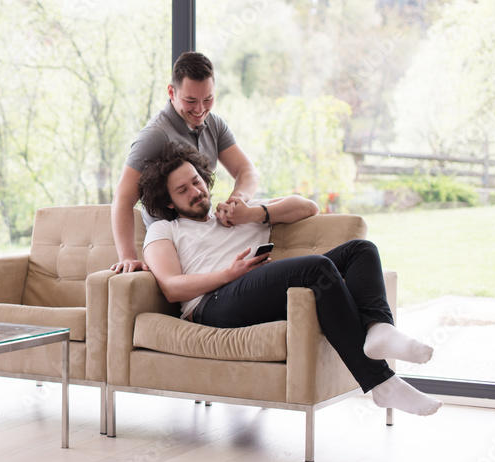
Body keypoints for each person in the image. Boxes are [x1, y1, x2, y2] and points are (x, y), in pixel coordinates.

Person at [137, 141, 442, 417]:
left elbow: (309, 207)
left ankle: (379, 328)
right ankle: (381, 382)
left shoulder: (238, 213)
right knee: (316, 268)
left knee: (360, 250)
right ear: (169, 202)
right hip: (212, 305)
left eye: (196, 181)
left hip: (256, 292)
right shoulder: (165, 229)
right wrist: (228, 274)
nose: (195, 191)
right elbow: (171, 288)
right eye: (182, 190)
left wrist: (252, 214)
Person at [111, 51, 259, 274]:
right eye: (190, 101)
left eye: (208, 99)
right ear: (171, 92)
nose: (200, 110)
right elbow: (123, 198)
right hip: (175, 247)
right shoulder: (154, 136)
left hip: (204, 234)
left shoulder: (214, 124)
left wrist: (236, 201)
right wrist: (128, 257)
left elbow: (247, 170)